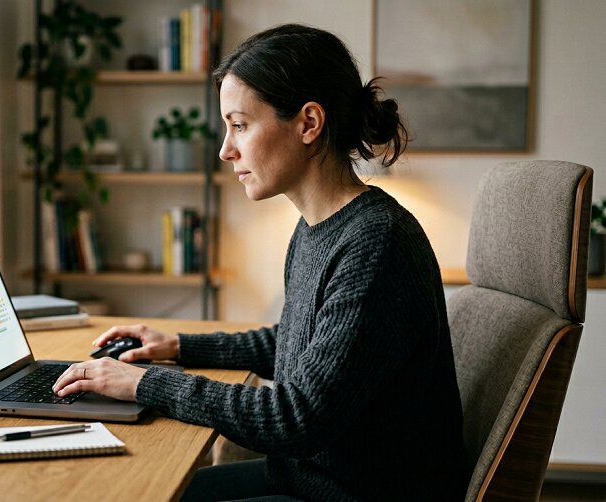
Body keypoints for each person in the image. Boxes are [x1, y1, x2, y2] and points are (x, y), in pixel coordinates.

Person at [53, 24, 468, 501]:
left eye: (240, 125)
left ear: (308, 123)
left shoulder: (376, 244)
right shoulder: (319, 227)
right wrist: (177, 346)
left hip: (353, 494)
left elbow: (295, 419)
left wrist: (146, 384)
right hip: (310, 480)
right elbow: (295, 341)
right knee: (144, 490)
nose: (225, 150)